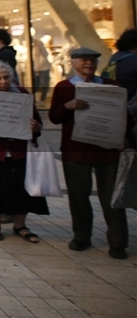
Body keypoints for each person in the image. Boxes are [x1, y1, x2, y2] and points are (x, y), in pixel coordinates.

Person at [49, 46, 132, 259]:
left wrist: (126, 139)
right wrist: (68, 106)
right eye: (84, 60)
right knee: (78, 197)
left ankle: (117, 242)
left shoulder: (111, 86)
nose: (89, 64)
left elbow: (124, 116)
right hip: (76, 151)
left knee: (112, 199)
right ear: (73, 63)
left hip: (108, 151)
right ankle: (81, 236)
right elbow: (55, 117)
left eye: (93, 60)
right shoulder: (64, 87)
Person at [0, 60, 47, 243]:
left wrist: (36, 127)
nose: (3, 81)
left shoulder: (22, 93)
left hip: (19, 149)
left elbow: (36, 119)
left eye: (6, 77)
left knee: (20, 186)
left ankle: (20, 224)